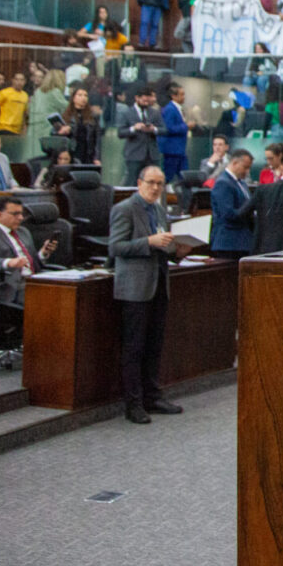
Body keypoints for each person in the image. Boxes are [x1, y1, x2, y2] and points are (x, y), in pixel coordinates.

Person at [109, 165, 182, 424]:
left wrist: (177, 248)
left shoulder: (160, 210)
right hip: (135, 288)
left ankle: (153, 396)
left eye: (160, 183)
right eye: (150, 182)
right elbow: (115, 246)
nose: (155, 188)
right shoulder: (124, 209)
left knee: (154, 345)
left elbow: (164, 244)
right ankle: (134, 404)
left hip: (159, 284)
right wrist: (149, 242)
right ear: (139, 183)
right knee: (134, 347)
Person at [0, 196, 56, 307]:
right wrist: (9, 262)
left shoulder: (23, 231)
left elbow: (32, 263)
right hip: (8, 286)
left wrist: (43, 253)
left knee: (67, 293)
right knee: (49, 300)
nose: (21, 218)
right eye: (15, 214)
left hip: (31, 280)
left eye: (21, 214)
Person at [231, 159, 283, 254]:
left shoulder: (262, 190)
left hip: (261, 247)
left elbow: (242, 213)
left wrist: (257, 228)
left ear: (282, 169)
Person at [209, 149, 256, 259]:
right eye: (245, 167)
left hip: (243, 242)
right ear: (234, 163)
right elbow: (228, 214)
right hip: (229, 243)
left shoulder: (241, 183)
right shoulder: (223, 183)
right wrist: (252, 205)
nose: (247, 171)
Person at [116, 88, 162, 185]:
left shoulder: (154, 112)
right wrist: (134, 128)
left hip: (151, 155)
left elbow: (164, 130)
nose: (146, 104)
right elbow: (120, 133)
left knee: (152, 182)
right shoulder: (127, 112)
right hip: (134, 154)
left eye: (148, 102)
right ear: (137, 98)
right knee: (131, 181)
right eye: (144, 101)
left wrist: (154, 129)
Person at [56, 87, 102, 166]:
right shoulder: (66, 116)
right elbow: (56, 135)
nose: (83, 98)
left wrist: (97, 158)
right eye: (80, 95)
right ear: (73, 98)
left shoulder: (93, 116)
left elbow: (97, 138)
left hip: (87, 154)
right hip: (72, 153)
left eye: (85, 95)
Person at [159, 83, 189, 182]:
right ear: (173, 96)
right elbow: (168, 128)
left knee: (184, 177)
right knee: (168, 176)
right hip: (172, 151)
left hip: (180, 150)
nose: (184, 97)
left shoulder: (178, 108)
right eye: (181, 94)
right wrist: (186, 126)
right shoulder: (170, 109)